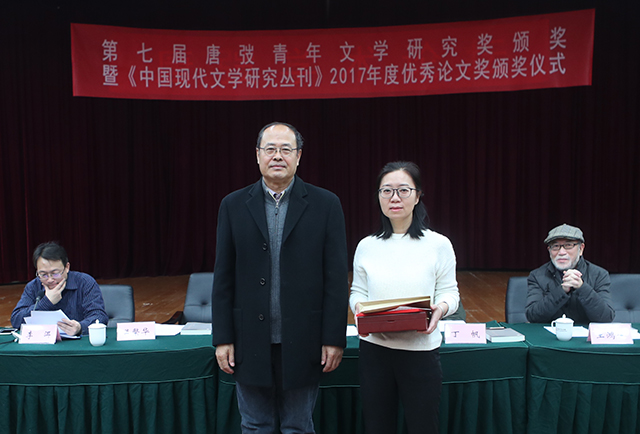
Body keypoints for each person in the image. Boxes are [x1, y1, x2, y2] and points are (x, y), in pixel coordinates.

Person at [212, 122, 349, 434]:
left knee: (298, 426)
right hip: (248, 339)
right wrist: (223, 338)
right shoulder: (233, 205)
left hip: (304, 339)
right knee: (255, 425)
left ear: (298, 156)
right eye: (270, 149)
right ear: (257, 155)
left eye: (286, 149)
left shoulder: (326, 204)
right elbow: (223, 278)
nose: (277, 156)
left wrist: (333, 338)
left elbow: (335, 279)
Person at [349, 161, 460, 434]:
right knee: (377, 427)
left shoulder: (438, 244)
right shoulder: (367, 246)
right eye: (386, 191)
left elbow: (450, 292)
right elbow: (358, 292)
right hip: (375, 351)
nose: (394, 198)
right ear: (378, 197)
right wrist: (359, 308)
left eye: (403, 190)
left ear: (418, 195)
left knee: (423, 426)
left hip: (420, 352)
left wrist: (440, 308)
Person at [11, 241, 109, 336]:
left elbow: (99, 316)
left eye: (55, 273)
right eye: (43, 274)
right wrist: (47, 302)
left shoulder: (85, 282)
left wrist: (80, 327)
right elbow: (16, 320)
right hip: (43, 342)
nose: (50, 279)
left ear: (67, 267)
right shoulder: (33, 286)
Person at [526, 223, 614, 324]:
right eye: (555, 246)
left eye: (568, 245)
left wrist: (581, 287)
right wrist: (562, 291)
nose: (561, 252)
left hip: (586, 333)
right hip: (549, 332)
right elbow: (532, 316)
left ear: (581, 249)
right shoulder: (537, 276)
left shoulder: (599, 274)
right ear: (549, 250)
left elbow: (606, 317)